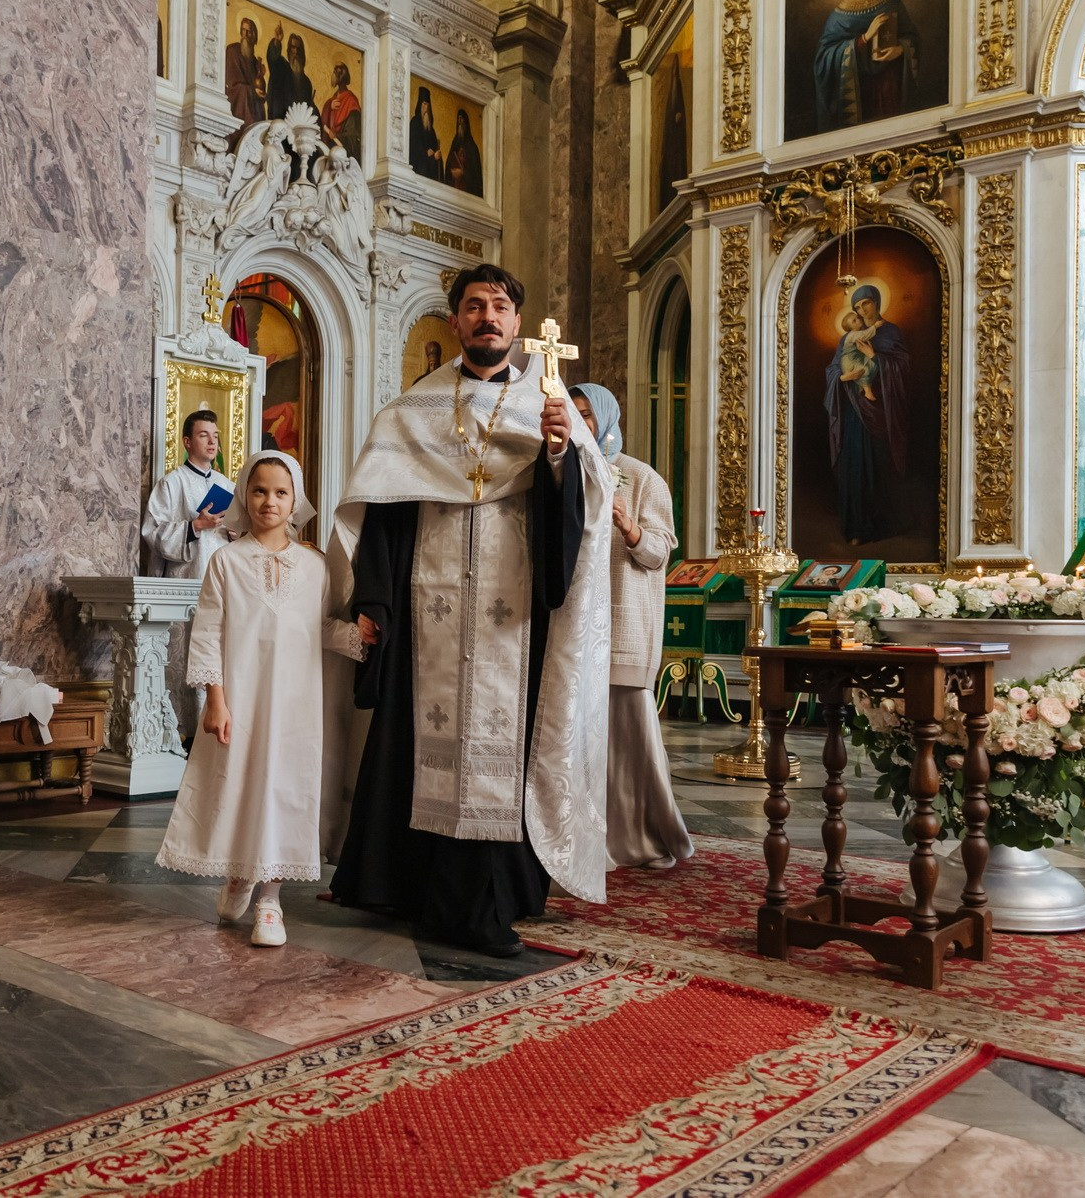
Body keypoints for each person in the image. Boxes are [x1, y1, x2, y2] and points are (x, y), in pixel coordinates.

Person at [327, 263, 615, 957]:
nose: (489, 317)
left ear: (518, 324)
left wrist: (555, 454)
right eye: (475, 306)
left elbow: (582, 517)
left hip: (516, 621)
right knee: (420, 753)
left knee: (500, 763)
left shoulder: (546, 411)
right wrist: (372, 601)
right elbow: (386, 516)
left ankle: (491, 904)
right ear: (454, 322)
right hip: (428, 617)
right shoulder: (411, 413)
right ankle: (414, 891)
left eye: (500, 307)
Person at [156, 451, 364, 947]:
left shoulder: (314, 566)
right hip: (242, 697)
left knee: (286, 789)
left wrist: (360, 637)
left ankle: (270, 899)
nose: (269, 501)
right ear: (244, 497)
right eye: (259, 491)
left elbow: (320, 627)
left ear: (295, 501)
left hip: (295, 703)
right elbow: (206, 634)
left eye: (280, 492)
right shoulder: (226, 561)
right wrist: (216, 699)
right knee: (241, 786)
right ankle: (238, 873)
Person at [570, 384, 694, 871]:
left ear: (606, 417)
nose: (582, 423)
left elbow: (661, 551)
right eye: (573, 414)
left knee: (628, 736)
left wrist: (631, 528)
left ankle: (641, 834)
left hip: (623, 623)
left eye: (588, 414)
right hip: (573, 623)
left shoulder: (642, 479)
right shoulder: (563, 473)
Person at [826, 282, 910, 545]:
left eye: (866, 303)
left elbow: (904, 367)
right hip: (854, 412)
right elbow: (833, 369)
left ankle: (881, 525)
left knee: (878, 465)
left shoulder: (891, 332)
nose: (862, 310)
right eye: (857, 306)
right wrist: (842, 377)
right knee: (855, 465)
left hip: (882, 414)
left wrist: (876, 357)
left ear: (877, 302)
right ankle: (857, 528)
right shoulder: (846, 338)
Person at [811, 0, 919, 133]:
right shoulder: (839, 15)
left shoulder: (892, 2)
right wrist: (864, 38)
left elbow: (912, 37)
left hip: (889, 82)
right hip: (859, 89)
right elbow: (823, 59)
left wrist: (900, 50)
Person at [142, 410, 234, 580]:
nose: (212, 441)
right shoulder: (171, 483)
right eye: (203, 435)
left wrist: (236, 534)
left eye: (215, 435)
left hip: (223, 578)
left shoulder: (228, 485)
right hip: (188, 579)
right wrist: (195, 526)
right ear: (187, 442)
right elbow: (152, 532)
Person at [266, 25, 316, 122]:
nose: (296, 52)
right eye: (293, 47)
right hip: (279, 122)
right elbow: (273, 59)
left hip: (297, 129)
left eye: (299, 49)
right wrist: (277, 41)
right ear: (289, 50)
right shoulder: (281, 67)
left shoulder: (306, 83)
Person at [225, 17, 266, 125]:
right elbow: (233, 85)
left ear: (255, 36)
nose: (246, 35)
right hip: (237, 107)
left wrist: (260, 75)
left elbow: (260, 92)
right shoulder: (233, 51)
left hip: (253, 110)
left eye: (249, 31)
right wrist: (253, 91)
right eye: (243, 30)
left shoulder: (254, 62)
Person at [319, 61, 362, 164]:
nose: (335, 73)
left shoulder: (351, 101)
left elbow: (353, 134)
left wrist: (337, 136)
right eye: (335, 70)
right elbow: (324, 124)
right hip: (330, 147)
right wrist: (329, 107)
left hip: (342, 151)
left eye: (339, 70)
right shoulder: (332, 100)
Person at [445, 108, 484, 196]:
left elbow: (476, 174)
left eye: (462, 120)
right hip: (454, 189)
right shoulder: (455, 143)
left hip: (467, 192)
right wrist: (452, 172)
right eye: (458, 120)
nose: (460, 122)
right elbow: (448, 166)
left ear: (466, 123)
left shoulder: (472, 147)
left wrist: (463, 173)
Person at [409, 87, 444, 181]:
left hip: (429, 174)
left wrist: (437, 155)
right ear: (420, 105)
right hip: (418, 172)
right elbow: (413, 149)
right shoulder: (415, 123)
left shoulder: (431, 130)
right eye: (424, 104)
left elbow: (435, 151)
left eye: (428, 105)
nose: (426, 108)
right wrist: (426, 153)